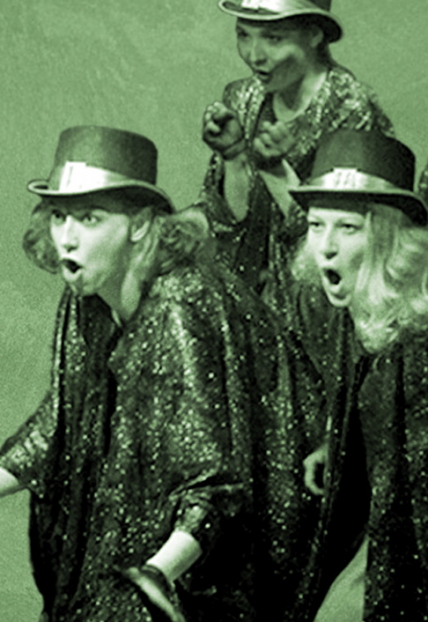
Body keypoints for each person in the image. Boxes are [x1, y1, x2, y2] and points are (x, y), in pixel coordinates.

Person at [0, 125, 285, 622]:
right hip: (134, 530)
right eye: (60, 216)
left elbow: (214, 479)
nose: (67, 237)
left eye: (89, 218)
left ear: (138, 226)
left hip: (255, 525)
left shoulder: (179, 305)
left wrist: (156, 573)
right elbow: (61, 421)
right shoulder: (87, 298)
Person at [285, 128, 428, 621]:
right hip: (379, 528)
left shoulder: (417, 343)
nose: (325, 247)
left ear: (387, 238)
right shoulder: (361, 315)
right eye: (315, 225)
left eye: (347, 228)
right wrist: (337, 444)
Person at [199, 0, 394, 314]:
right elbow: (226, 227)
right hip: (245, 300)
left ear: (315, 35)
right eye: (244, 35)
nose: (254, 55)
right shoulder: (241, 98)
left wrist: (277, 173)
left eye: (273, 38)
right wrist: (234, 157)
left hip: (321, 309)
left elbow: (345, 241)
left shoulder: (351, 110)